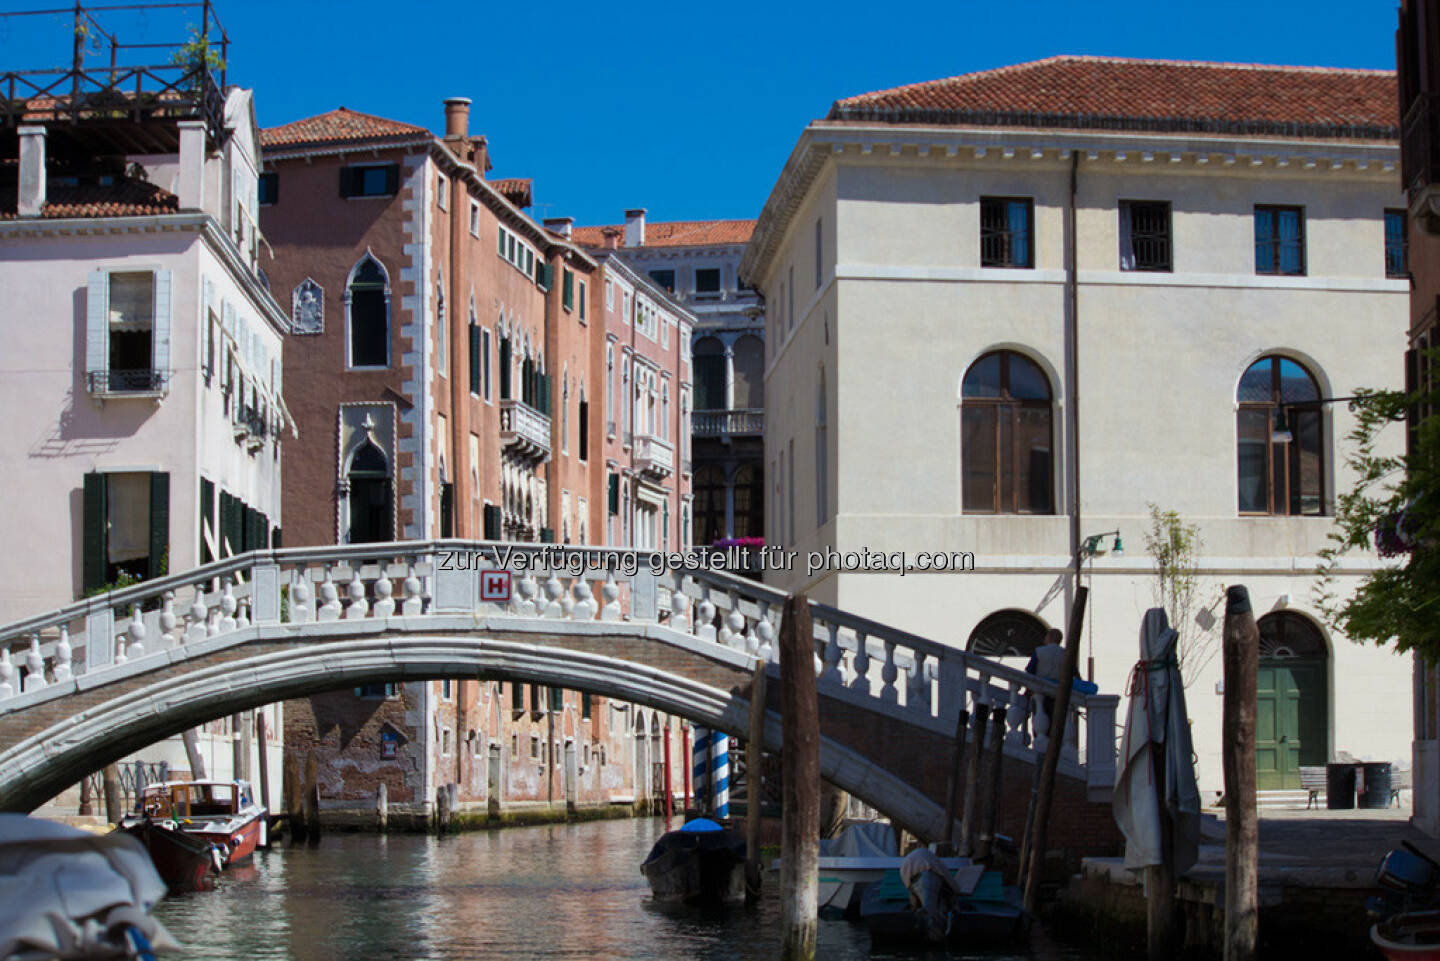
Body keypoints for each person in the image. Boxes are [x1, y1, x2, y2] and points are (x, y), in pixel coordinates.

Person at [1024, 628, 1065, 733]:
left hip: (1040, 691)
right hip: (1058, 692)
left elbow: (1030, 670)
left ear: (1049, 637)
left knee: (1039, 718)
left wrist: (1027, 689)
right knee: (1054, 721)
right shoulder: (1065, 653)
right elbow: (1073, 672)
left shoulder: (1039, 651)